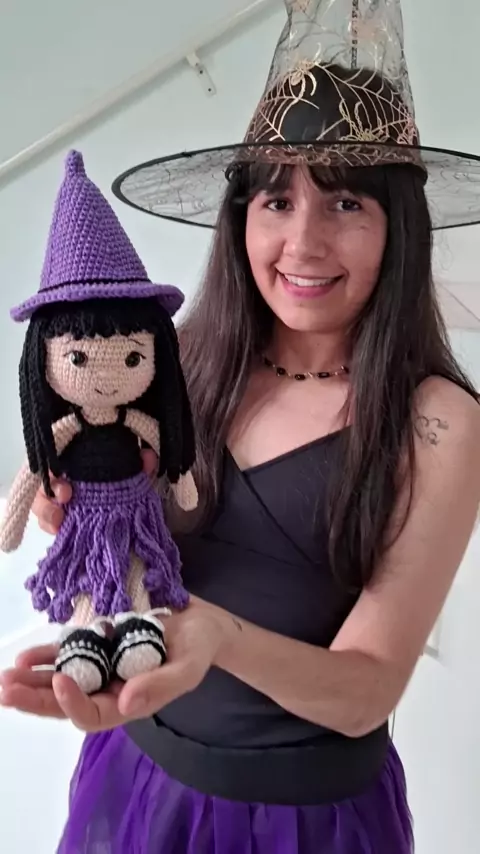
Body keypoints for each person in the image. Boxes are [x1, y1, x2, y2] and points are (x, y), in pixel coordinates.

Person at [1, 1, 480, 852]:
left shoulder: (436, 422)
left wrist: (218, 637)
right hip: (136, 774)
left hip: (306, 820)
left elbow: (367, 690)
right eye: (276, 199)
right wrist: (71, 514)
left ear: (397, 228)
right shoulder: (178, 360)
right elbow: (124, 531)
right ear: (240, 216)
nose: (302, 242)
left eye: (345, 203)